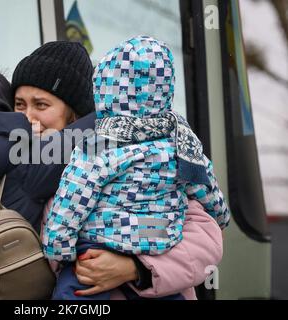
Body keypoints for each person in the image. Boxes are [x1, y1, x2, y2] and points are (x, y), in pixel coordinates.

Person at [0, 41, 223, 300]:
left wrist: (135, 268)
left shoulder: (136, 161)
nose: (28, 119)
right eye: (19, 105)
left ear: (74, 117)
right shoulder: (16, 168)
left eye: (41, 105)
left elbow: (206, 243)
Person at [42, 36, 230, 300]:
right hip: (159, 236)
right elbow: (204, 184)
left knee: (72, 292)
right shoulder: (179, 142)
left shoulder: (98, 144)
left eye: (41, 105)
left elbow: (73, 195)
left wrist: (59, 248)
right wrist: (221, 214)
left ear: (104, 91)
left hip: (97, 241)